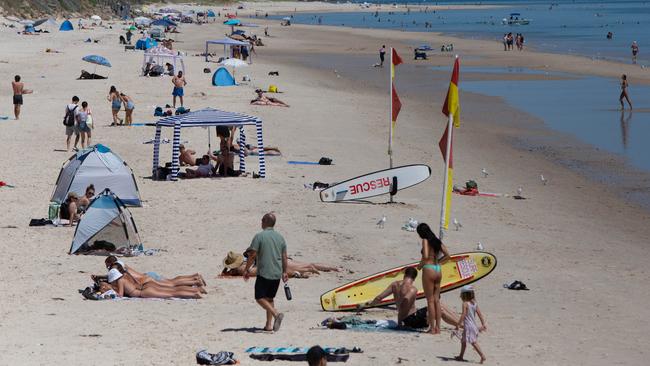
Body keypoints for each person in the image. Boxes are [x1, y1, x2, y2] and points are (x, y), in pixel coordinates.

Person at [367, 267, 460, 329]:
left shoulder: (394, 285)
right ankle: (461, 326)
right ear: (414, 278)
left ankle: (461, 322)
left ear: (404, 275)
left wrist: (370, 304)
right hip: (410, 321)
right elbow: (405, 301)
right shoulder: (412, 289)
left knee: (439, 305)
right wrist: (400, 322)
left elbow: (379, 297)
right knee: (441, 309)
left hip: (408, 319)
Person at [243, 213, 288, 332]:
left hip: (265, 272)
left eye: (262, 219)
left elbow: (252, 255)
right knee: (270, 298)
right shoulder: (280, 237)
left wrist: (247, 269)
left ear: (266, 221)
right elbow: (284, 256)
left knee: (259, 297)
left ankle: (276, 313)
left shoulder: (259, 236)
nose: (261, 221)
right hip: (277, 272)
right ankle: (268, 325)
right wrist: (285, 272)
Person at [94, 256, 206, 290]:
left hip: (146, 279)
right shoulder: (121, 264)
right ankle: (194, 277)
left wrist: (100, 278)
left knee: (173, 284)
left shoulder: (115, 269)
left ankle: (195, 280)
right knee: (173, 281)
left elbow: (115, 278)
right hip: (147, 275)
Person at [417, 223, 450, 334]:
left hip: (429, 269)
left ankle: (432, 328)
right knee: (437, 300)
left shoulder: (425, 241)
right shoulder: (437, 241)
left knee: (430, 301)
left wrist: (420, 265)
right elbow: (447, 255)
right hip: (437, 268)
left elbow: (425, 256)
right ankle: (438, 328)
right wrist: (439, 262)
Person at [105, 263, 202, 299]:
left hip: (143, 292)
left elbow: (120, 295)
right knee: (173, 288)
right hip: (146, 285)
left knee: (172, 293)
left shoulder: (120, 281)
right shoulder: (125, 276)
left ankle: (195, 294)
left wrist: (112, 291)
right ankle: (195, 289)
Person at [222, 251, 338, 278]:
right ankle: (335, 268)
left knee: (303, 268)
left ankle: (308, 271)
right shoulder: (246, 258)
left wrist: (227, 272)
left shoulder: (241, 269)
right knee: (308, 264)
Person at [454, 285, 487, 364]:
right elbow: (480, 314)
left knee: (473, 342)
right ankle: (461, 356)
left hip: (468, 326)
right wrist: (483, 323)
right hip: (473, 325)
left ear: (464, 295)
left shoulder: (465, 304)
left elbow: (463, 315)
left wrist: (458, 324)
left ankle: (482, 356)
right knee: (463, 341)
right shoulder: (474, 304)